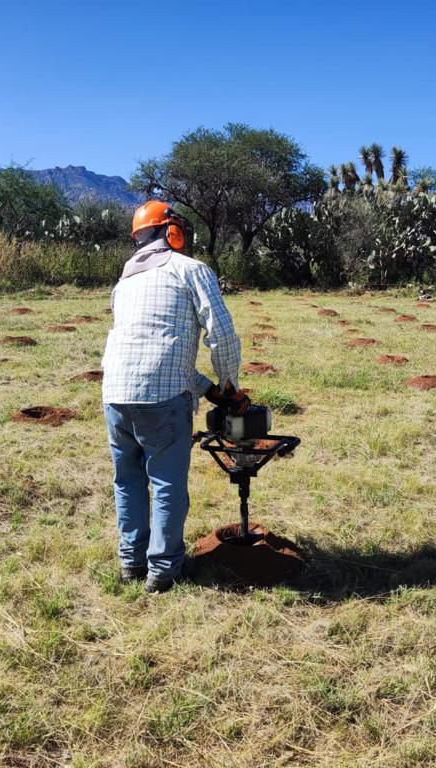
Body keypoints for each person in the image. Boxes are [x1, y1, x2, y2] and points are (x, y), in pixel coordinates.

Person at [102, 200, 248, 593]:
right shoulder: (191, 270)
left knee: (127, 481)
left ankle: (131, 562)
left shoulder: (124, 283)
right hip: (162, 400)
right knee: (166, 484)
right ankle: (164, 571)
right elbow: (221, 333)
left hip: (114, 394)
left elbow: (158, 352)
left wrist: (208, 391)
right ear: (172, 232)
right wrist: (229, 383)